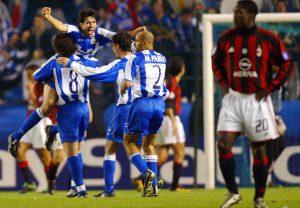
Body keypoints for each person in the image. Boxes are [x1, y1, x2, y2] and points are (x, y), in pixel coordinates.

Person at [211, 1, 295, 208]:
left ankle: (259, 198)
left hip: (257, 101)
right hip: (233, 99)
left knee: (258, 150)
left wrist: (272, 86)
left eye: (239, 12)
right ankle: (233, 193)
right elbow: (215, 61)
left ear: (251, 14)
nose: (235, 15)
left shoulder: (268, 39)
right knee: (223, 144)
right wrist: (222, 82)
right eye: (235, 12)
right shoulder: (225, 38)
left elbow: (287, 63)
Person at [8, 33, 100, 197]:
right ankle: (78, 188)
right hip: (84, 105)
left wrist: (52, 76)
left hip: (68, 109)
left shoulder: (54, 61)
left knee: (72, 152)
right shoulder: (87, 59)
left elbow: (37, 76)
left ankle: (27, 133)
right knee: (76, 150)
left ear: (57, 47)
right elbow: (98, 68)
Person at [56, 32, 142, 198]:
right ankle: (151, 183)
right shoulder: (140, 60)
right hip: (143, 107)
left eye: (113, 46)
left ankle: (112, 189)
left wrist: (72, 63)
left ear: (117, 46)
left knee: (110, 148)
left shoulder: (121, 63)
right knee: (140, 146)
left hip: (125, 108)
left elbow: (96, 73)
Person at [121, 31, 168, 197]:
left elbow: (126, 84)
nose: (135, 43)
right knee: (149, 145)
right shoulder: (163, 58)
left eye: (136, 41)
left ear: (143, 42)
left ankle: (147, 174)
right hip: (159, 104)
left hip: (142, 103)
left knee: (129, 142)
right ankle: (153, 188)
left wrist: (121, 91)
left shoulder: (135, 58)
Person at [16, 64, 64, 194]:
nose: (28, 76)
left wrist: (31, 90)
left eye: (30, 73)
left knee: (44, 155)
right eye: (27, 74)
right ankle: (30, 183)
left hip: (40, 122)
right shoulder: (35, 85)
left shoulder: (44, 85)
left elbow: (41, 106)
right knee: (18, 150)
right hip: (29, 122)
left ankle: (50, 183)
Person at [155, 57, 187, 191]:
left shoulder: (168, 81)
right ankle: (174, 185)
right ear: (181, 70)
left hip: (163, 120)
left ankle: (142, 178)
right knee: (180, 151)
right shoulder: (172, 82)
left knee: (162, 156)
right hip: (170, 118)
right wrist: (173, 123)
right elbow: (168, 104)